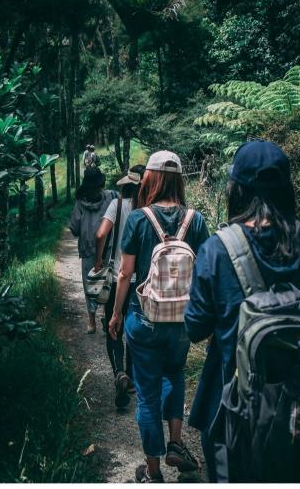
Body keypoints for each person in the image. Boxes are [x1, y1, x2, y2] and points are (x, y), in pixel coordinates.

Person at [184, 139, 300, 482]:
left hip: (234, 418)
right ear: (287, 190)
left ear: (237, 190)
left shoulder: (218, 250)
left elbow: (196, 328)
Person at [109, 150, 209, 483]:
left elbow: (124, 275)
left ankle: (153, 472)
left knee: (148, 393)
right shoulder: (195, 219)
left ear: (149, 178)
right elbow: (205, 271)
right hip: (182, 318)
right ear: (179, 180)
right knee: (175, 374)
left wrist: (116, 314)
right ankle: (176, 444)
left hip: (144, 316)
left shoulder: (139, 218)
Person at [95, 164, 146, 409]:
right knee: (133, 330)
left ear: (126, 184)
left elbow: (100, 234)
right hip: (142, 284)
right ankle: (133, 378)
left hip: (117, 279)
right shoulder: (148, 211)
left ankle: (119, 373)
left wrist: (98, 260)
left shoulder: (117, 205)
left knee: (113, 327)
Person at [69, 167, 117, 334]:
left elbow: (74, 228)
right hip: (106, 248)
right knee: (107, 283)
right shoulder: (110, 196)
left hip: (95, 248)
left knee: (92, 284)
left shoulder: (110, 197)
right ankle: (98, 317)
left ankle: (95, 320)